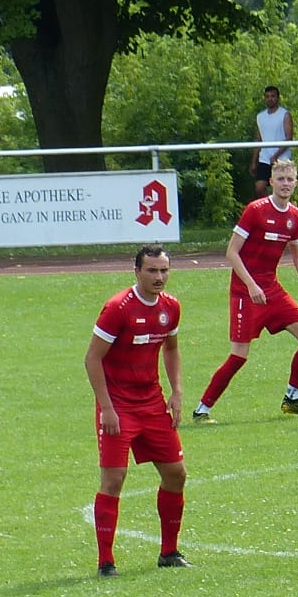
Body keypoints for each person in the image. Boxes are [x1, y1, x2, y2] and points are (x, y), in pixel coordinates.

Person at [191, 159, 298, 422]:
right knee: (239, 356)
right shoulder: (255, 210)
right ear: (271, 182)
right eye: (281, 179)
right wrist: (250, 285)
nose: (286, 184)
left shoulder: (295, 216)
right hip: (245, 292)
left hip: (271, 289)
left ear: (296, 182)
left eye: (290, 179)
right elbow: (231, 252)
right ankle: (202, 409)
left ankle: (292, 398)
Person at [84, 245, 189, 576]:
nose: (159, 277)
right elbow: (92, 359)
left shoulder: (170, 308)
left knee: (176, 474)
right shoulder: (118, 308)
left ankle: (169, 552)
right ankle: (106, 561)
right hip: (118, 407)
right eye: (152, 271)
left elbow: (171, 349)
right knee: (114, 479)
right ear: (137, 272)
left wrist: (176, 392)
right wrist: (107, 408)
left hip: (153, 404)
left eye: (164, 270)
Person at [252, 85, 294, 192]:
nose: (270, 99)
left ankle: (283, 208)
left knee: (284, 189)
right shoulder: (260, 117)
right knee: (259, 188)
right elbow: (258, 140)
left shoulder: (285, 114)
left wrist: (276, 156)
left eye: (273, 96)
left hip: (282, 159)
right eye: (267, 96)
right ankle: (270, 208)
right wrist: (253, 161)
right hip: (264, 159)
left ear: (278, 98)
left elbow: (289, 138)